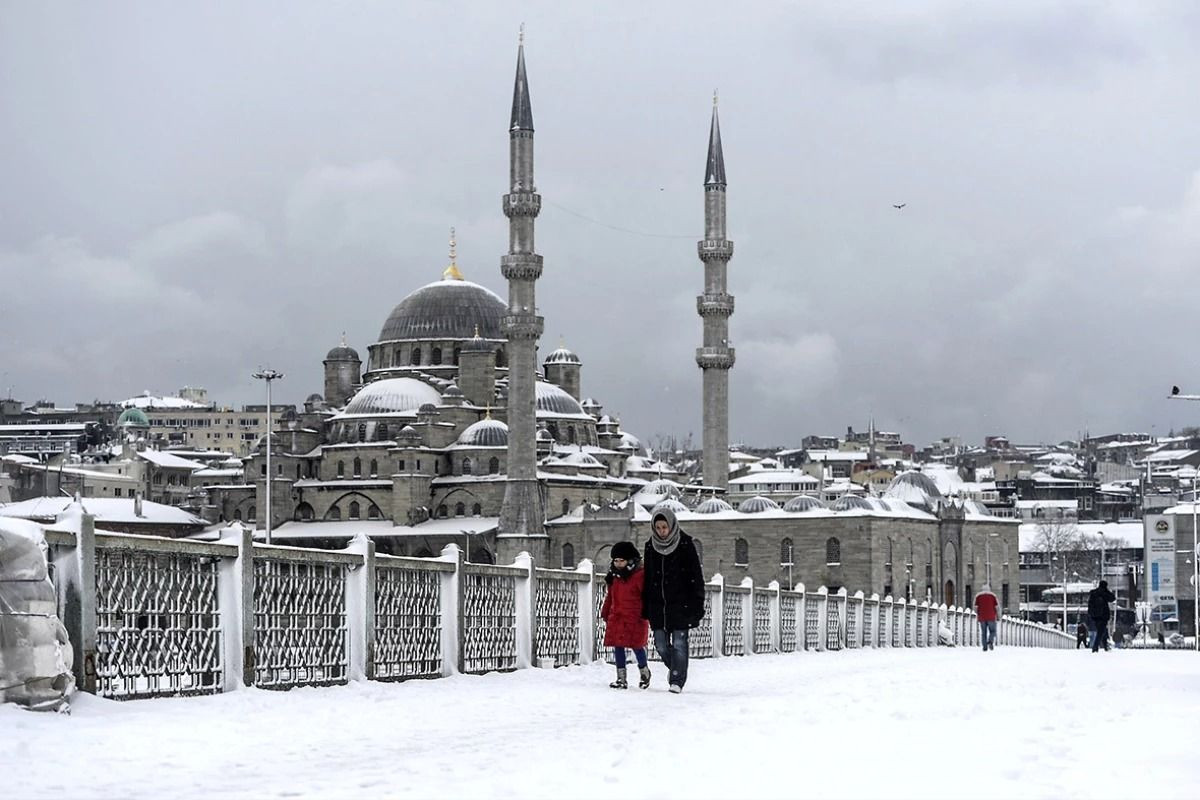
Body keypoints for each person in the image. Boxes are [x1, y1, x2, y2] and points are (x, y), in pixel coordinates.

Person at [642, 507, 705, 694]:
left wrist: (697, 603)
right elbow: (648, 577)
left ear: (671, 526)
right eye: (658, 527)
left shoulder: (685, 544)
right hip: (658, 606)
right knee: (660, 644)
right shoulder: (650, 546)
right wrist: (646, 605)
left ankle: (677, 679)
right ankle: (677, 668)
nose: (662, 531)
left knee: (679, 643)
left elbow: (695, 575)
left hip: (681, 604)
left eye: (664, 527)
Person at [600, 541, 651, 690]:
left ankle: (644, 672)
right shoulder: (614, 577)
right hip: (617, 616)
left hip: (635, 617)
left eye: (621, 560)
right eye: (615, 560)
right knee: (618, 646)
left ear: (630, 560)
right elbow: (610, 597)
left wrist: (647, 612)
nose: (618, 563)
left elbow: (646, 596)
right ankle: (621, 678)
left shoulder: (640, 575)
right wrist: (606, 611)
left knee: (637, 646)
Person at [1087, 580, 1116, 653]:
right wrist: (1107, 591)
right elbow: (1112, 598)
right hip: (1103, 616)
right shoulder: (1104, 593)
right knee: (1101, 631)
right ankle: (1095, 647)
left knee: (1103, 630)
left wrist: (1091, 613)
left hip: (1095, 616)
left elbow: (1090, 604)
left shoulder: (1094, 593)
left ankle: (1106, 646)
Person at [974, 584, 999, 651]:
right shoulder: (993, 596)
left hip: (982, 617)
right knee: (993, 631)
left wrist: (978, 613)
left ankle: (984, 647)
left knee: (983, 632)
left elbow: (976, 607)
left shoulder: (978, 596)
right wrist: (998, 615)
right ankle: (990, 641)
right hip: (991, 617)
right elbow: (997, 607)